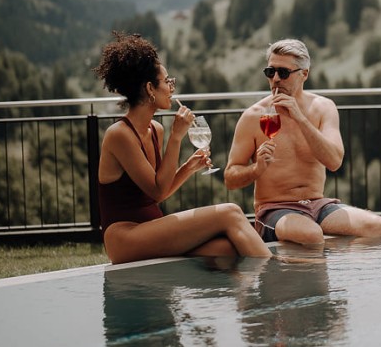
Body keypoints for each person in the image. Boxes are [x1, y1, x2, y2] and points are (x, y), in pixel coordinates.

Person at [94, 32, 271, 264]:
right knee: (230, 212)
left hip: (151, 228)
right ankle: (275, 277)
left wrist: (187, 168)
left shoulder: (155, 129)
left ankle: (247, 297)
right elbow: (157, 192)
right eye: (167, 82)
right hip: (125, 238)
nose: (171, 88)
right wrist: (176, 137)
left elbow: (158, 191)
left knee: (226, 249)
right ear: (150, 88)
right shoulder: (119, 135)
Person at [224, 38, 381, 247]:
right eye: (270, 72)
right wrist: (257, 169)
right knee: (310, 235)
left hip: (318, 206)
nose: (275, 79)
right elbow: (230, 177)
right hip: (274, 209)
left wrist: (300, 118)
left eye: (283, 73)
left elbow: (334, 161)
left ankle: (333, 273)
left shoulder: (323, 108)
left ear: (304, 74)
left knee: (378, 227)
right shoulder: (253, 117)